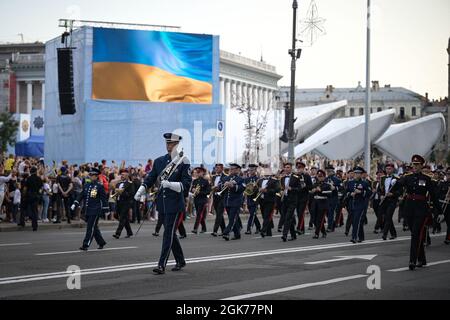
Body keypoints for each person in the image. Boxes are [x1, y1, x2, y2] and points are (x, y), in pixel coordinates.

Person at [134, 133, 191, 275]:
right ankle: (180, 260)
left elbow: (186, 184)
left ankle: (161, 265)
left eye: (171, 144)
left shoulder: (183, 161)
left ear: (177, 145)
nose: (169, 146)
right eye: (167, 143)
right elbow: (151, 178)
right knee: (171, 233)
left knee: (167, 234)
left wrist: (170, 184)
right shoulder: (159, 161)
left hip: (175, 203)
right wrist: (141, 189)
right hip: (162, 203)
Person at [390, 155, 443, 270]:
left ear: (421, 165)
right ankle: (422, 259)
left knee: (415, 234)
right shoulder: (407, 177)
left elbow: (433, 196)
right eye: (413, 164)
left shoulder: (427, 179)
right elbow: (397, 187)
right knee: (415, 234)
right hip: (409, 209)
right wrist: (393, 188)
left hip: (421, 209)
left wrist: (440, 211)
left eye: (417, 164)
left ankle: (412, 260)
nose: (415, 166)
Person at [71, 168, 108, 251]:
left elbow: (104, 199)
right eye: (90, 175)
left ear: (96, 176)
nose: (90, 176)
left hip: (95, 210)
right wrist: (75, 203)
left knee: (90, 227)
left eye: (91, 175)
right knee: (94, 228)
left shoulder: (99, 186)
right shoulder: (87, 185)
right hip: (87, 210)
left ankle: (85, 244)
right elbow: (81, 195)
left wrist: (106, 209)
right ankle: (101, 242)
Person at [346, 166, 371, 243]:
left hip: (360, 204)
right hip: (351, 204)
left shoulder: (365, 183)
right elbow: (346, 192)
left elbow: (369, 193)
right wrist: (350, 194)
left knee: (357, 220)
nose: (357, 175)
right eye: (356, 173)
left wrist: (361, 192)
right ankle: (361, 236)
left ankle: (354, 237)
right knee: (354, 221)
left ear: (361, 174)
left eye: (359, 173)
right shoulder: (350, 183)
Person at [221, 163, 245, 241]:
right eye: (230, 169)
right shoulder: (225, 178)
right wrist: (223, 185)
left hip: (236, 202)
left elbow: (242, 188)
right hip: (227, 202)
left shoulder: (241, 179)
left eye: (233, 169)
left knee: (232, 219)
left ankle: (226, 232)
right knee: (233, 218)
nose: (231, 170)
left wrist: (233, 186)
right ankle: (237, 234)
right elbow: (220, 187)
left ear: (238, 170)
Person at [280, 163, 302, 242]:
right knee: (290, 218)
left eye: (288, 167)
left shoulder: (296, 177)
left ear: (291, 168)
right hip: (285, 200)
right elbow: (282, 188)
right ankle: (293, 235)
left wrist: (291, 188)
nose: (286, 169)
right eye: (285, 167)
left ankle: (284, 235)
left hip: (292, 200)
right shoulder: (282, 178)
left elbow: (299, 189)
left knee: (288, 217)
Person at [378, 163, 399, 240]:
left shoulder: (397, 178)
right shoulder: (382, 178)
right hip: (384, 200)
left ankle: (385, 234)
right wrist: (381, 195)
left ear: (393, 169)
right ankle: (393, 233)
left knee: (388, 216)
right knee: (386, 217)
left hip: (392, 200)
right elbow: (379, 190)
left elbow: (400, 191)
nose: (388, 170)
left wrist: (392, 193)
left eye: (390, 169)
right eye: (387, 169)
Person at [257, 167, 280, 238]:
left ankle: (263, 230)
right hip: (262, 200)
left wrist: (267, 191)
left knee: (267, 215)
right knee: (264, 216)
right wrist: (259, 189)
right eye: (265, 170)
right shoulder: (260, 180)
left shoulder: (274, 180)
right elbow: (257, 188)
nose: (266, 171)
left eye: (267, 170)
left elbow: (277, 189)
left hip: (270, 200)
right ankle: (268, 232)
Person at [113, 169, 135, 239]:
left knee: (122, 217)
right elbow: (115, 193)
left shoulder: (130, 183)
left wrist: (122, 192)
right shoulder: (118, 184)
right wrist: (116, 193)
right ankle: (129, 232)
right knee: (119, 216)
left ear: (127, 176)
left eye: (123, 175)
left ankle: (117, 233)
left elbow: (131, 194)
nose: (121, 176)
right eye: (121, 175)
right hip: (119, 202)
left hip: (126, 203)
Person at [19, 166, 43, 231]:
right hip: (36, 196)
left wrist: (23, 195)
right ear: (36, 171)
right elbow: (41, 188)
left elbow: (25, 188)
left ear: (31, 171)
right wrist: (39, 194)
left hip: (29, 196)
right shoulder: (39, 178)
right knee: (35, 210)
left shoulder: (28, 179)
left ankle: (22, 222)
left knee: (24, 208)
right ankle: (35, 226)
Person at [310, 169, 332, 239]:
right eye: (319, 176)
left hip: (322, 203)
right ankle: (324, 232)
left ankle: (317, 233)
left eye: (321, 176)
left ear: (324, 177)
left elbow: (329, 193)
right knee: (314, 219)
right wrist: (312, 191)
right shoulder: (315, 184)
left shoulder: (327, 185)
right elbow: (311, 192)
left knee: (319, 219)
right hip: (315, 202)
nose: (320, 178)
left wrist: (321, 190)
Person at [190, 167, 211, 234]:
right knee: (200, 214)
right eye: (197, 172)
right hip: (196, 199)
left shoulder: (205, 181)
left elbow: (208, 191)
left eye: (199, 172)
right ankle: (204, 228)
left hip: (203, 200)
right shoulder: (195, 181)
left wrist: (199, 192)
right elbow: (191, 189)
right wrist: (193, 190)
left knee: (199, 214)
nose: (198, 173)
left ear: (203, 173)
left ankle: (195, 228)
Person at [295, 161, 313, 235]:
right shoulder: (295, 176)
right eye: (298, 168)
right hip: (296, 196)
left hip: (304, 197)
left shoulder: (307, 176)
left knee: (301, 212)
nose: (299, 169)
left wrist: (305, 186)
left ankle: (300, 228)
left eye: (300, 168)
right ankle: (301, 228)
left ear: (303, 168)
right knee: (298, 212)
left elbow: (311, 187)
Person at [244, 164, 261, 235]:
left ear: (255, 170)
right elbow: (245, 190)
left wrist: (255, 188)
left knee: (252, 214)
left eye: (252, 170)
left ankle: (249, 229)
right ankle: (259, 227)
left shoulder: (258, 179)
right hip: (249, 198)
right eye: (250, 170)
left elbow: (259, 189)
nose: (251, 171)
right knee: (252, 214)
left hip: (255, 198)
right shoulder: (246, 179)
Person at [210, 163, 227, 236]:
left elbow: (226, 187)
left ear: (222, 169)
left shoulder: (226, 177)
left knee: (219, 214)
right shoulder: (213, 177)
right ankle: (224, 230)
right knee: (219, 214)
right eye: (216, 168)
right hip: (215, 197)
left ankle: (215, 231)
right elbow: (211, 185)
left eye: (218, 168)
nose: (216, 169)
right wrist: (212, 188)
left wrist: (218, 188)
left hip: (222, 197)